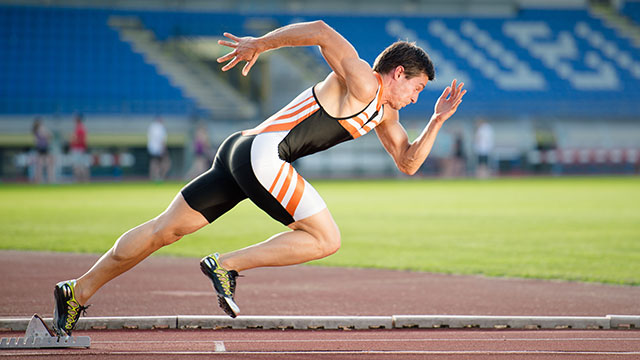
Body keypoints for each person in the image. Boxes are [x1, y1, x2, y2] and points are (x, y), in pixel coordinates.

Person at [52, 20, 466, 336]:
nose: (416, 97)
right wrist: (259, 44)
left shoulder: (385, 114)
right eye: (418, 88)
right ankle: (226, 266)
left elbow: (408, 162)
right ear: (397, 73)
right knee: (326, 239)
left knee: (164, 230)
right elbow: (322, 31)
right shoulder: (362, 80)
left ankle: (78, 291)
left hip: (239, 150)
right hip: (264, 155)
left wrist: (436, 120)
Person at [32, 117, 55, 184]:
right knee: (47, 165)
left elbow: (36, 140)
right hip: (44, 148)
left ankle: (40, 179)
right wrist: (47, 134)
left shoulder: (36, 130)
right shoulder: (40, 129)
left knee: (40, 165)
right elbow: (49, 135)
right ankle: (49, 179)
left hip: (40, 148)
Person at [147, 116, 171, 181]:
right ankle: (160, 177)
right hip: (159, 149)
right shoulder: (160, 128)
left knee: (154, 163)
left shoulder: (152, 126)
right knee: (165, 163)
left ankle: (153, 177)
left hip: (152, 148)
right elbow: (161, 140)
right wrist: (164, 149)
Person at [69, 113, 90, 182]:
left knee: (78, 166)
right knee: (82, 166)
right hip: (80, 149)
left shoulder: (79, 128)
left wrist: (73, 139)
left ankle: (79, 180)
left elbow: (79, 140)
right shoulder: (81, 128)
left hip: (78, 149)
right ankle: (84, 180)